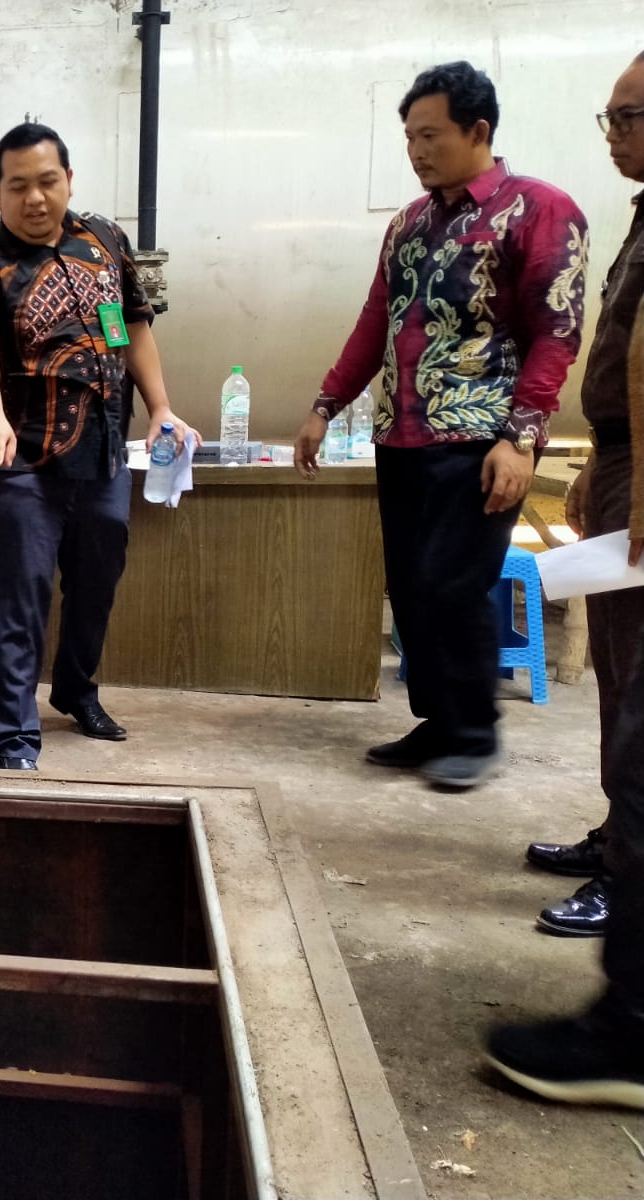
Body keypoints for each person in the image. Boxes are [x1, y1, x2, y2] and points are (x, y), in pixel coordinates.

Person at [295, 62, 589, 789]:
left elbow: (556, 333)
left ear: (478, 130)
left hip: (482, 439)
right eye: (409, 137)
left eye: (430, 135)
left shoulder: (540, 211)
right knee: (412, 586)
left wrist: (521, 437)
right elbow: (376, 320)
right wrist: (326, 404)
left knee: (454, 583)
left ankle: (474, 732)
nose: (417, 151)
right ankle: (437, 720)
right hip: (402, 436)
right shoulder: (409, 224)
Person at [486, 53, 644, 1108]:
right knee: (624, 696)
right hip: (625, 468)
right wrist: (604, 464)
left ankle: (631, 1022)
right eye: (611, 116)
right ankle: (616, 847)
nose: (613, 131)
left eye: (628, 116)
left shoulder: (539, 217)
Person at [0, 122, 194, 771]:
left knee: (96, 583)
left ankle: (77, 690)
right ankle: (14, 739)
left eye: (47, 181)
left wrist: (160, 407)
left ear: (69, 180)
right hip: (21, 459)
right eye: (17, 186)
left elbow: (131, 325)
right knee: (19, 595)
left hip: (103, 454)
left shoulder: (105, 240)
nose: (34, 198)